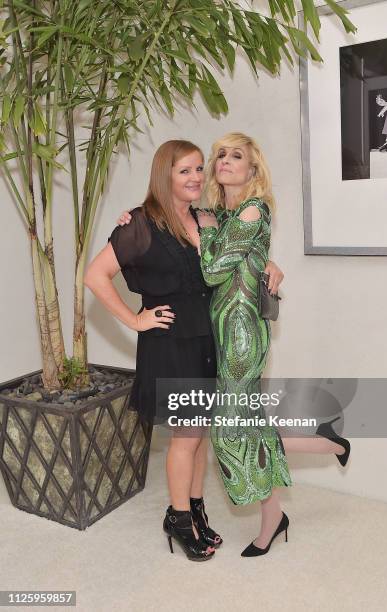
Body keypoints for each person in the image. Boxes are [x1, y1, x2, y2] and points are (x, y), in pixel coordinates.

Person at [84, 139, 284, 562]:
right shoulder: (140, 222)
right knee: (186, 436)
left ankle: (195, 510)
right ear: (165, 176)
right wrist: (135, 319)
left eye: (198, 169)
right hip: (170, 343)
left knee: (198, 437)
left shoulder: (205, 215)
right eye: (184, 171)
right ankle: (178, 520)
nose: (195, 177)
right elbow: (95, 275)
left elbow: (239, 253)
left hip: (208, 339)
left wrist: (269, 264)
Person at [196, 132, 351, 557]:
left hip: (243, 334)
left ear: (252, 169)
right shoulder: (219, 213)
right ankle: (325, 445)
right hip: (221, 333)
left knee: (231, 428)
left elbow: (212, 271)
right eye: (220, 155)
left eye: (236, 156)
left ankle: (273, 514)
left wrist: (207, 230)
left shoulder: (251, 210)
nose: (224, 161)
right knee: (245, 425)